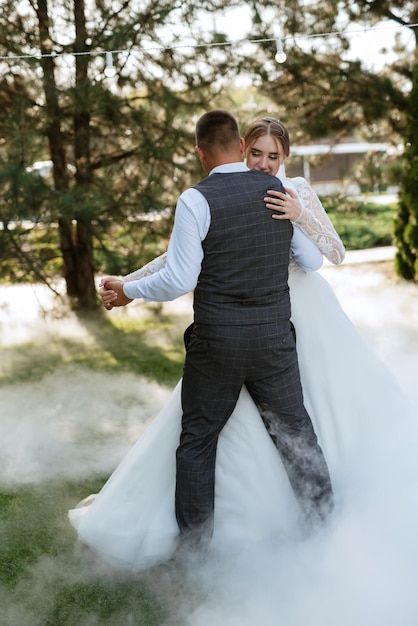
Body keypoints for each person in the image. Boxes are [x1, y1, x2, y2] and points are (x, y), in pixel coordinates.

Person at [69, 116, 411, 572]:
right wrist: (130, 281)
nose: (265, 163)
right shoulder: (255, 191)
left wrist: (300, 215)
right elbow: (178, 258)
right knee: (291, 430)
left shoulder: (262, 195)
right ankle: (315, 525)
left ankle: (199, 551)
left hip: (264, 327)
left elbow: (318, 257)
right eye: (257, 153)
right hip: (274, 332)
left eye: (274, 156)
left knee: (208, 438)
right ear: (241, 148)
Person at [97, 109, 334, 548]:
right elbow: (312, 261)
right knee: (298, 436)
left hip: (217, 343)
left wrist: (130, 291)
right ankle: (323, 530)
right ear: (242, 147)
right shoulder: (278, 190)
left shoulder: (196, 199)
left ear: (199, 151)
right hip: (273, 341)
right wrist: (298, 217)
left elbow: (180, 277)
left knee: (198, 443)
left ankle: (195, 554)